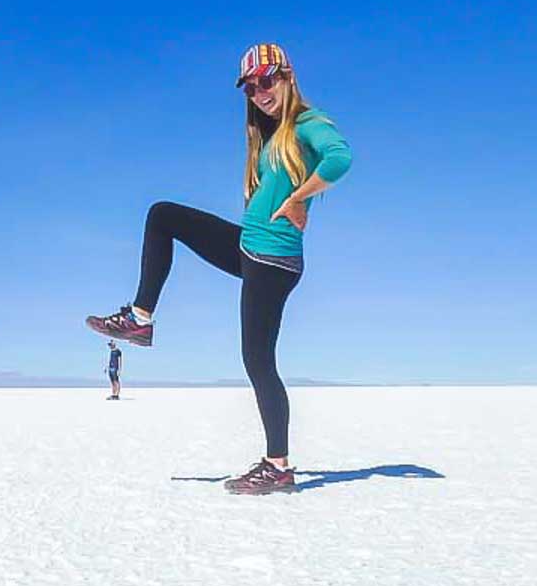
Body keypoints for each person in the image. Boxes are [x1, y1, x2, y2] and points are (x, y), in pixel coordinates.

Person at [86, 43, 352, 494]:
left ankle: (278, 466)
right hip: (249, 247)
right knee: (163, 215)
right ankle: (140, 319)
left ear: (287, 77)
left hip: (272, 260)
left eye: (266, 82)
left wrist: (299, 198)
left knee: (258, 361)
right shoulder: (269, 136)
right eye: (250, 88)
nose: (259, 93)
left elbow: (340, 158)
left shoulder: (307, 124)